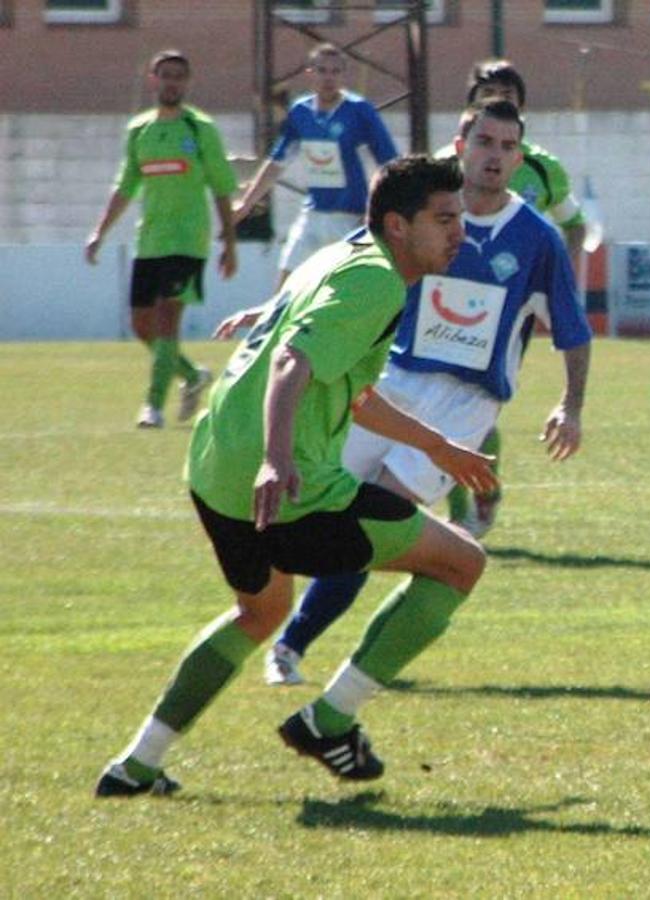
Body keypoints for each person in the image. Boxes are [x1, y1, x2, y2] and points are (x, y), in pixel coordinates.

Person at [94, 155, 496, 797]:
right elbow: (292, 361)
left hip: (214, 468)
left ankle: (135, 765)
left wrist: (437, 447)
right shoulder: (377, 284)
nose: (460, 233)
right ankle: (328, 720)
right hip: (288, 490)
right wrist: (277, 458)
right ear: (398, 224)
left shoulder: (339, 257)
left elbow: (353, 389)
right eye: (444, 219)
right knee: (460, 565)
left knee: (260, 613)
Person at [249, 98, 591, 687]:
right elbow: (344, 262)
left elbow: (572, 328)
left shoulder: (536, 239)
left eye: (509, 148)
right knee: (319, 500)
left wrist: (571, 404)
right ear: (461, 147)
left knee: (371, 519)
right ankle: (274, 625)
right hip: (389, 381)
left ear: (519, 159)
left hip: (464, 403)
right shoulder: (422, 209)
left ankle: (291, 646)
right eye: (485, 142)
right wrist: (275, 305)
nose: (496, 156)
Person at [442, 59, 591, 538]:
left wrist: (556, 284)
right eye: (485, 92)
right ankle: (456, 506)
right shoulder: (441, 167)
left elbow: (574, 224)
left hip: (505, 308)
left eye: (504, 92)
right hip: (440, 295)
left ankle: (479, 488)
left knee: (476, 400)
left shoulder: (543, 171)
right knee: (433, 403)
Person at [85, 49, 239, 429]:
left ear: (187, 82)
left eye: (179, 76)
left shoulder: (200, 129)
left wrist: (229, 243)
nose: (172, 82)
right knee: (141, 323)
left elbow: (222, 188)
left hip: (188, 241)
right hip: (149, 241)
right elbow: (125, 186)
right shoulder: (140, 130)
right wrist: (99, 233)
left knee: (169, 316)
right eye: (165, 75)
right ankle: (191, 375)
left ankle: (152, 406)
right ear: (153, 79)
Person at [233, 43, 400, 290]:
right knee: (286, 287)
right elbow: (278, 161)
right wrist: (246, 203)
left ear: (343, 75)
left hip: (351, 218)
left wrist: (378, 211)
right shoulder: (301, 112)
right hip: (313, 214)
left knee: (348, 291)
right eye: (322, 70)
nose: (328, 78)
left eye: (335, 71)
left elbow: (389, 164)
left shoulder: (359, 110)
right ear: (310, 73)